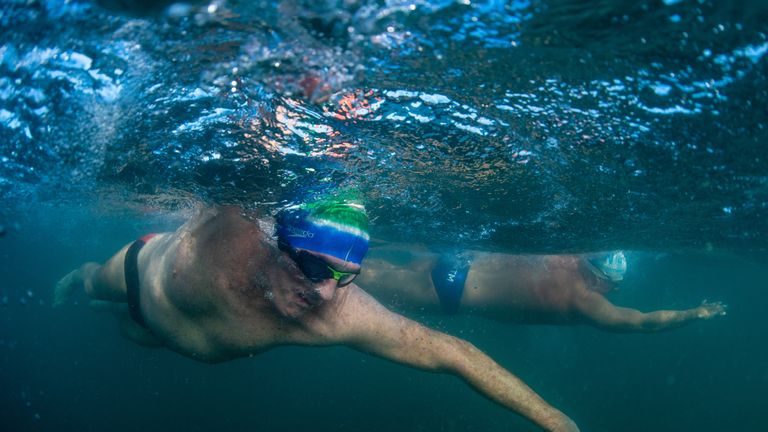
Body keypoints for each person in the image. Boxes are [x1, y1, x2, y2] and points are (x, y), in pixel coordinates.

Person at [54, 200, 579, 432]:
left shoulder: (335, 312)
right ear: (273, 241)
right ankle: (77, 277)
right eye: (312, 267)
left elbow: (450, 352)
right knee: (93, 285)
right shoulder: (234, 226)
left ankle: (122, 324)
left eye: (347, 275)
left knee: (132, 333)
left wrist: (556, 421)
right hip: (137, 274)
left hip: (163, 335)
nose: (327, 295)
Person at [357, 247, 726, 332]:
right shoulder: (584, 299)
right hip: (452, 290)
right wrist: (693, 313)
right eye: (614, 286)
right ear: (601, 280)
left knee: (373, 264)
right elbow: (640, 322)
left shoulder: (569, 254)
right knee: (359, 278)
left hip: (460, 257)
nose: (613, 292)